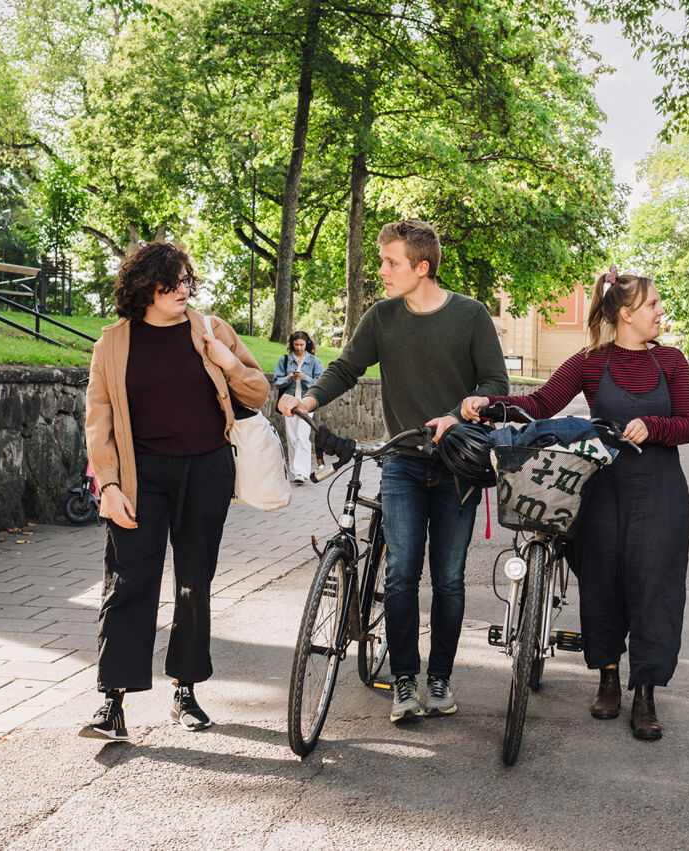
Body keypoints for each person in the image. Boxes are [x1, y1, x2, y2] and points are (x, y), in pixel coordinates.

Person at [278, 219, 507, 724]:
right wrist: (306, 399)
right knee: (401, 574)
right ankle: (404, 679)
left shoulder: (470, 316)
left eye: (390, 262)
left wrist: (464, 410)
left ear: (421, 268)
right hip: (402, 462)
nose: (381, 270)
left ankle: (440, 678)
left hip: (457, 467)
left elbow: (496, 382)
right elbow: (345, 368)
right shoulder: (381, 318)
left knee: (447, 578)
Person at [461, 268, 689, 741]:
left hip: (659, 494)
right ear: (627, 313)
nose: (660, 313)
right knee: (602, 583)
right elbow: (542, 403)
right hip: (602, 490)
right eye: (653, 305)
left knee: (656, 590)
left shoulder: (671, 361)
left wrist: (654, 426)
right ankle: (608, 678)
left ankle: (646, 692)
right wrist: (488, 405)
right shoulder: (591, 361)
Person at [81, 242, 269, 741]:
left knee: (193, 583)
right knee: (128, 582)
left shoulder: (210, 329)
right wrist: (110, 484)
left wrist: (226, 359)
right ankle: (112, 702)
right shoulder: (114, 343)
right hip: (140, 479)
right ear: (147, 285)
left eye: (189, 280)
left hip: (205, 472)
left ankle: (185, 689)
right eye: (174, 281)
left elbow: (257, 392)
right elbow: (98, 421)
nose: (185, 290)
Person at [273, 330, 324, 483]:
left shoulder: (314, 361)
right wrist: (289, 377)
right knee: (292, 437)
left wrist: (304, 377)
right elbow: (276, 381)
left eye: (301, 344)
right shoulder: (285, 360)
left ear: (307, 344)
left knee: (302, 436)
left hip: (306, 403)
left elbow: (320, 384)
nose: (299, 348)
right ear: (292, 344)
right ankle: (295, 471)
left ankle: (302, 472)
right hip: (288, 402)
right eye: (296, 344)